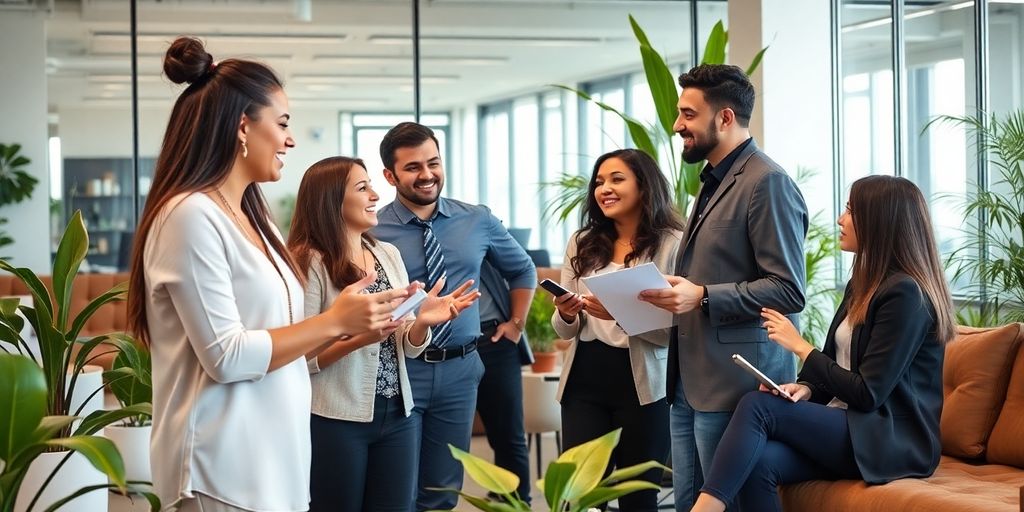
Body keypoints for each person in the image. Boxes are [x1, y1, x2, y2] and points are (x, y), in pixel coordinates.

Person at [126, 37, 409, 512]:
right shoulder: (189, 216)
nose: (290, 140)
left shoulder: (255, 220)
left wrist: (352, 322)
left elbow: (283, 337)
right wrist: (336, 321)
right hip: (221, 467)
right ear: (243, 126)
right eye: (282, 123)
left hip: (276, 464)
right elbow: (226, 357)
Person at [690, 175, 955, 512]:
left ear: (879, 220)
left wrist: (800, 346)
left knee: (757, 406)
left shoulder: (906, 294)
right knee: (759, 462)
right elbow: (836, 363)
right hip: (853, 424)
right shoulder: (862, 284)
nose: (840, 220)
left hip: (891, 439)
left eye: (850, 211)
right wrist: (805, 389)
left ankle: (704, 509)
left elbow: (867, 393)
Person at [637, 63, 808, 510]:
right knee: (689, 504)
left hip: (735, 385)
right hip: (687, 381)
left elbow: (788, 290)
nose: (677, 125)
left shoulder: (767, 182)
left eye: (688, 114)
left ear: (726, 117)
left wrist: (703, 295)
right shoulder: (712, 181)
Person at [287, 156, 480, 511]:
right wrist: (360, 338)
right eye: (363, 188)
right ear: (331, 200)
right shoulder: (309, 261)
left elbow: (406, 344)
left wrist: (422, 322)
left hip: (398, 413)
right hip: (336, 417)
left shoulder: (386, 253)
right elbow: (300, 356)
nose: (375, 195)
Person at [372, 121, 537, 510]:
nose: (427, 174)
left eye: (433, 163)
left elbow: (522, 269)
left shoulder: (477, 219)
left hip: (461, 368)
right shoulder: (373, 230)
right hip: (401, 366)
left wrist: (516, 324)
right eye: (413, 167)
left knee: (443, 490)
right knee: (399, 487)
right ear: (390, 176)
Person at [551, 149, 684, 511]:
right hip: (584, 378)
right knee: (576, 495)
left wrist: (619, 315)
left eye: (616, 179)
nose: (604, 189)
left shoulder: (674, 243)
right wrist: (566, 313)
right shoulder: (582, 241)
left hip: (643, 384)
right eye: (599, 182)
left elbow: (676, 331)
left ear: (644, 186)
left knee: (637, 496)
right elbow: (565, 331)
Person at [476, 260, 534, 504]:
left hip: (494, 340)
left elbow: (524, 269)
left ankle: (518, 503)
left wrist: (517, 324)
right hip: (436, 343)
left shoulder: (480, 231)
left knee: (508, 433)